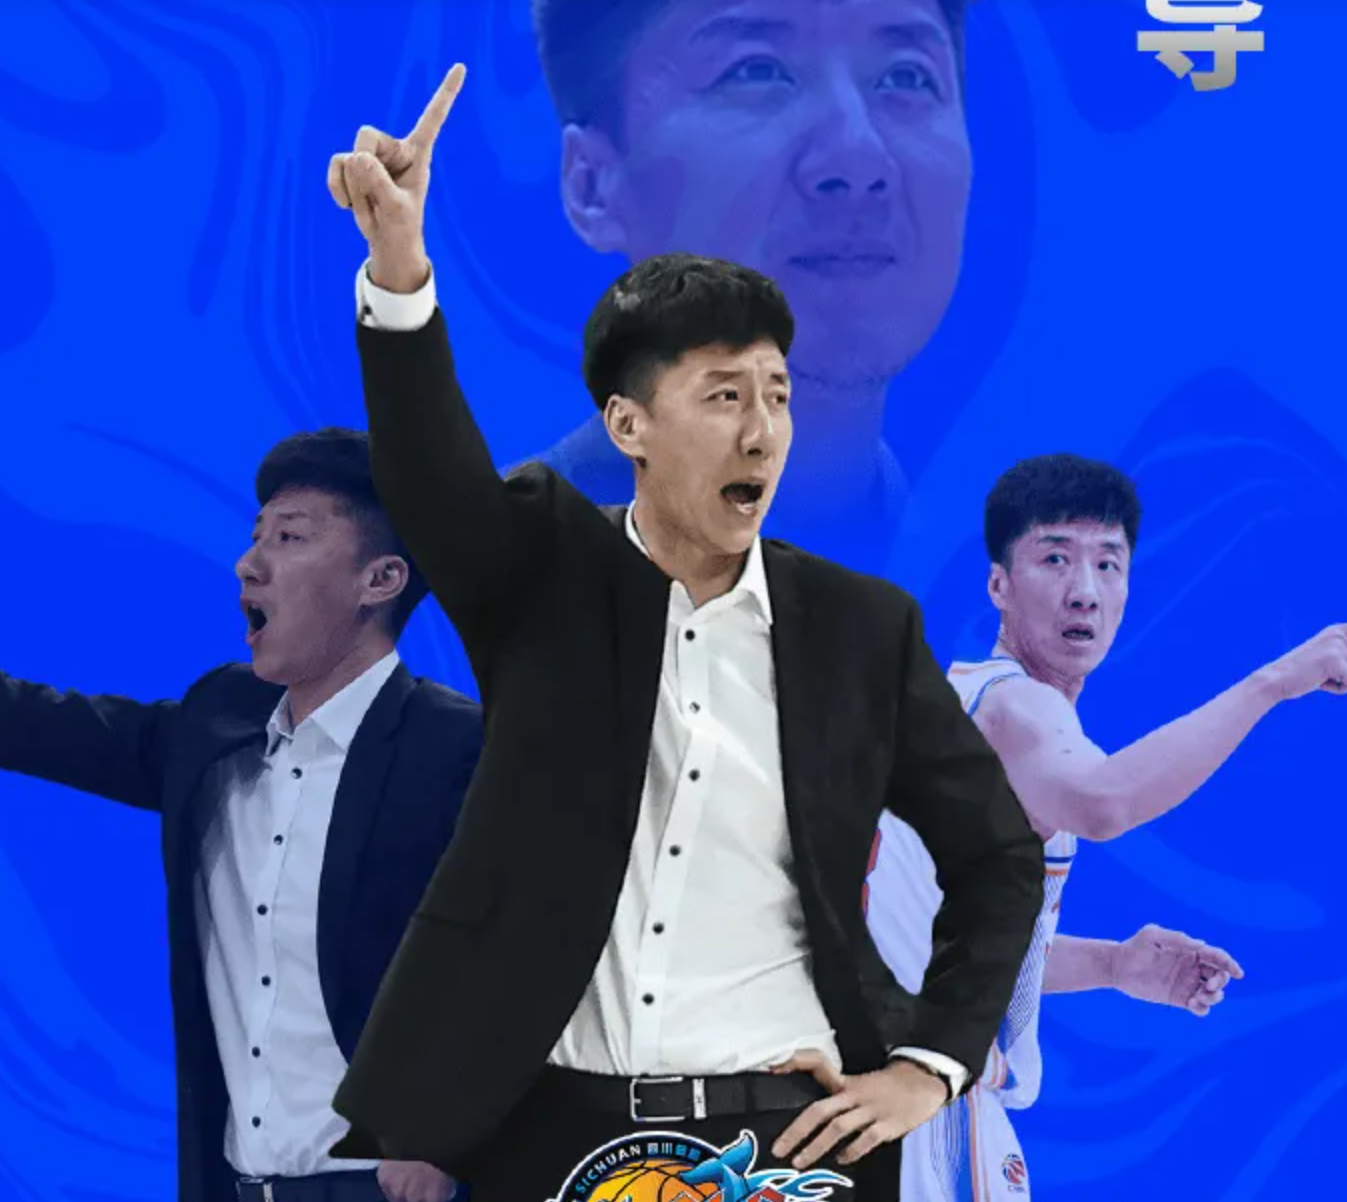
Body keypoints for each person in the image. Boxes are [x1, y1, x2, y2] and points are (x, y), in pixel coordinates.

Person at [323, 67, 1042, 1202]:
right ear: (628, 425)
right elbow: (431, 476)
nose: (761, 431)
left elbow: (997, 854)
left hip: (794, 1136)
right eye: (721, 396)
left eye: (777, 393)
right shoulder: (539, 571)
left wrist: (930, 1065)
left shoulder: (861, 627)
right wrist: (400, 272)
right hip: (547, 1130)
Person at [0, 428, 482, 1202]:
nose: (249, 563)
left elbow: (542, 951)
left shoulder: (458, 747)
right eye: (257, 536)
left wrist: (454, 1123)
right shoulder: (216, 725)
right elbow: (46, 725)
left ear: (381, 579)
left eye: (290, 537)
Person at [863, 452, 1347, 1201]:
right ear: (998, 585)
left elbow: (940, 944)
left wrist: (1115, 966)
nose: (1084, 590)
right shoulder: (1013, 706)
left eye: (1108, 565)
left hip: (906, 1094)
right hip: (918, 1107)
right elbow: (1105, 802)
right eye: (1055, 558)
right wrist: (1275, 683)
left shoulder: (970, 707)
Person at [524, 0, 976, 568]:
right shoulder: (485, 576)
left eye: (906, 77)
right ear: (594, 184)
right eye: (755, 70)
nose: (858, 156)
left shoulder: (984, 580)